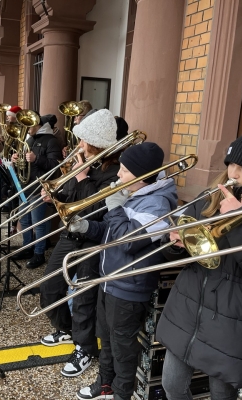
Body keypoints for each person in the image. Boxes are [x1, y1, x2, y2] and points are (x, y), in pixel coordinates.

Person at [155, 127, 242, 400]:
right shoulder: (213, 194)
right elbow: (184, 249)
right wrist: (176, 243)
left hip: (234, 320)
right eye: (231, 164)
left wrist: (240, 220)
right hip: (190, 308)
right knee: (172, 385)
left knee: (221, 395)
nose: (233, 174)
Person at [68, 142, 177, 400]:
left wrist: (115, 207)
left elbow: (128, 241)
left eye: (125, 171)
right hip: (110, 280)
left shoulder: (157, 205)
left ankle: (121, 394)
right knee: (105, 338)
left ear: (141, 176)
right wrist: (85, 227)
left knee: (123, 349)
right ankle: (105, 384)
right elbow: (109, 231)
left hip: (129, 287)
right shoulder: (132, 193)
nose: (118, 175)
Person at [39, 109, 121, 378]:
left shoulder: (115, 173)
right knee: (50, 287)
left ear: (98, 145)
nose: (80, 146)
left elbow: (98, 210)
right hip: (71, 234)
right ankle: (67, 330)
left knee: (84, 299)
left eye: (85, 142)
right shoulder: (88, 163)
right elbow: (74, 200)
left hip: (92, 239)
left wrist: (83, 177)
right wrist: (57, 194)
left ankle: (84, 348)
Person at [10, 113, 62, 269]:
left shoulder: (51, 141)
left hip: (38, 188)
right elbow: (24, 164)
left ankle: (39, 253)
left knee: (38, 223)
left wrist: (36, 159)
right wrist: (15, 160)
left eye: (29, 126)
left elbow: (56, 165)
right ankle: (27, 248)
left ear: (37, 124)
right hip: (24, 187)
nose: (26, 129)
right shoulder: (29, 139)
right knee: (24, 221)